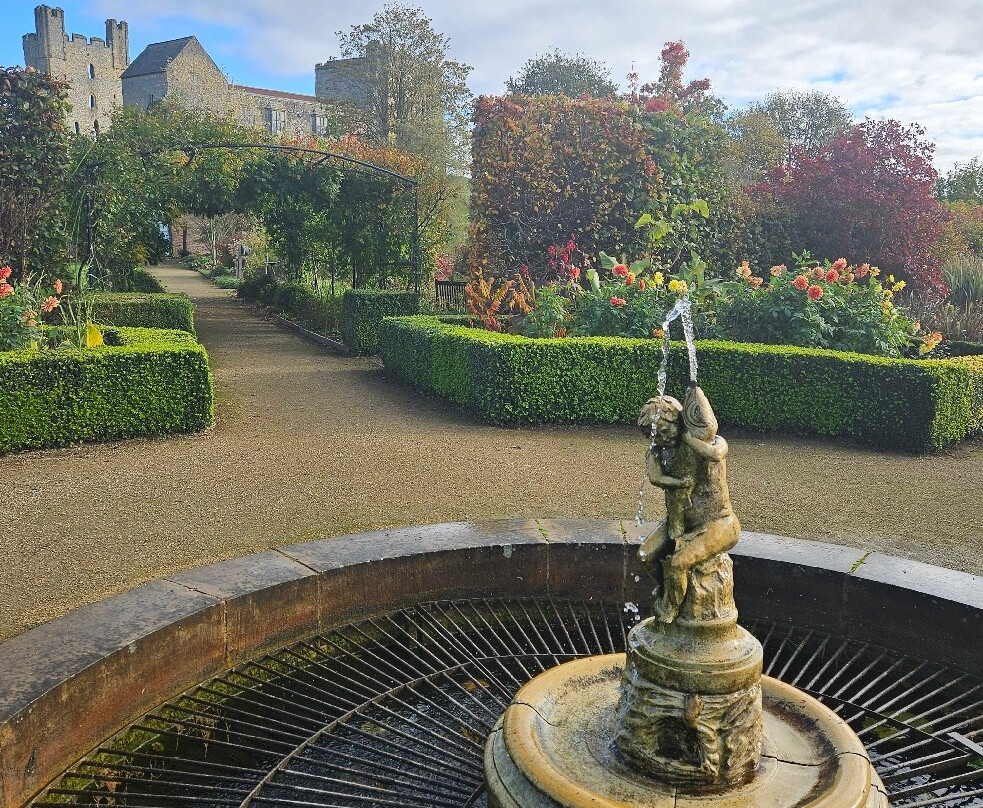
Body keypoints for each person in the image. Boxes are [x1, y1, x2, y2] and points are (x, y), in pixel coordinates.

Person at [639, 386, 741, 623]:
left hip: (719, 523)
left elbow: (716, 453)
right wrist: (676, 482)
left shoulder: (709, 443)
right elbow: (655, 477)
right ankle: (668, 588)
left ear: (678, 421)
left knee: (678, 563)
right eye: (655, 436)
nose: (662, 440)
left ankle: (671, 610)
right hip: (681, 523)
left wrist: (689, 439)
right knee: (645, 555)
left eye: (665, 432)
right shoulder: (658, 451)